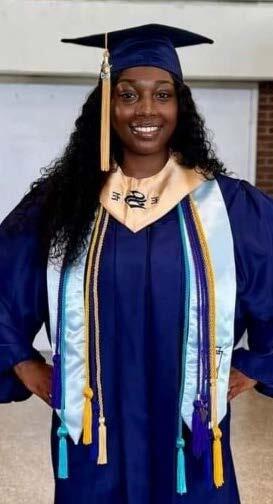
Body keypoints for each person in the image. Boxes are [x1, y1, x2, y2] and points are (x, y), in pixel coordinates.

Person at [0, 23, 272, 504]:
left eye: (162, 95)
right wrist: (22, 363)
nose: (146, 110)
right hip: (94, 431)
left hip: (187, 432)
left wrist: (254, 365)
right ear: (107, 106)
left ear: (179, 107)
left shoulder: (228, 209)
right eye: (128, 95)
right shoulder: (59, 206)